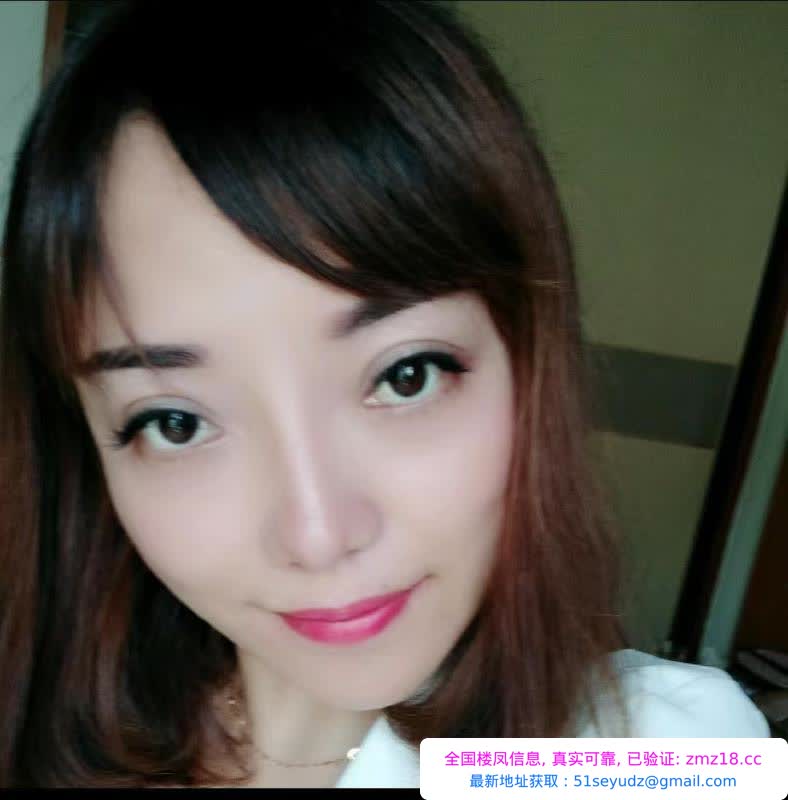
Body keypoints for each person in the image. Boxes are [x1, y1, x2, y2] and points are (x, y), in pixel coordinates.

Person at [0, 0, 770, 789]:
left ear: (528, 354)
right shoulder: (41, 731)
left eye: (407, 376)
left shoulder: (655, 756)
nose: (318, 535)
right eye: (174, 422)